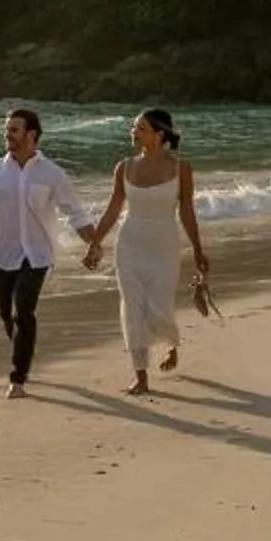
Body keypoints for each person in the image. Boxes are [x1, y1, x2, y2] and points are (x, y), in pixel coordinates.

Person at [0, 108, 95, 398]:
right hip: (1, 255)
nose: (8, 135)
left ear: (31, 134)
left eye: (14, 130)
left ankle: (18, 377)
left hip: (38, 256)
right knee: (6, 315)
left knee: (23, 311)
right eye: (6, 130)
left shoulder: (52, 173)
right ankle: (24, 351)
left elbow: (75, 212)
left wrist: (94, 244)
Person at [81, 107, 210, 395]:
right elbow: (113, 208)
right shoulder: (124, 167)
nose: (133, 132)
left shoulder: (181, 168)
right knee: (132, 308)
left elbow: (187, 210)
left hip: (165, 245)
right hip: (130, 244)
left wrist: (198, 249)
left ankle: (171, 341)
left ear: (159, 134)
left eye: (141, 128)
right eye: (134, 127)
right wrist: (95, 242)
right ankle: (140, 375)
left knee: (159, 307)